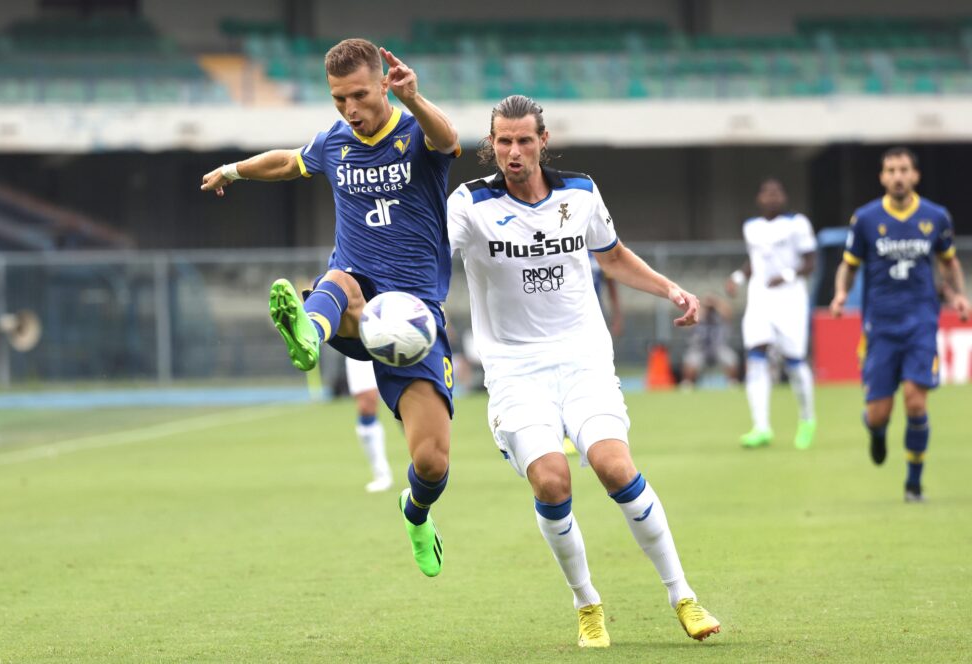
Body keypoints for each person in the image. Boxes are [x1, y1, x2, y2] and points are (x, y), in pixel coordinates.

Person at [447, 95, 719, 648]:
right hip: (515, 370)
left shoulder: (582, 192)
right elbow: (430, 258)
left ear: (543, 140)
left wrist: (671, 289)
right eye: (504, 141)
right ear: (490, 146)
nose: (514, 151)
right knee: (551, 479)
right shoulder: (469, 204)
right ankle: (586, 602)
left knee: (615, 467)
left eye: (525, 140)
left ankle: (682, 594)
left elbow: (612, 256)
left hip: (583, 359)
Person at [201, 39, 460, 576]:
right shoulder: (336, 142)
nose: (350, 110)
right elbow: (288, 162)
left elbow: (449, 140)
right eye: (339, 99)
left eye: (359, 96)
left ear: (384, 84)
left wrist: (416, 100)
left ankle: (415, 514)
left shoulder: (414, 132)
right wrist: (232, 171)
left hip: (412, 320)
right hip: (354, 302)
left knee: (432, 462)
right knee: (338, 277)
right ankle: (308, 332)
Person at [830, 146, 968, 502]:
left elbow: (948, 262)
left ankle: (913, 483)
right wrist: (841, 294)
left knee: (916, 403)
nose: (897, 176)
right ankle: (876, 431)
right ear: (882, 177)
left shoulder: (936, 217)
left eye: (904, 169)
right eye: (891, 170)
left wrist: (958, 295)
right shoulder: (865, 218)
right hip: (880, 329)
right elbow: (849, 264)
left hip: (921, 323)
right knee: (879, 414)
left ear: (915, 175)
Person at [725, 178, 817, 450]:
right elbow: (753, 262)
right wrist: (737, 278)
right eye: (767, 193)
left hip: (790, 298)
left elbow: (810, 261)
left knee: (794, 360)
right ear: (759, 198)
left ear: (784, 197)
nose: (772, 197)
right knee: (756, 354)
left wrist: (786, 275)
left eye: (777, 192)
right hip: (760, 298)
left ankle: (807, 419)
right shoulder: (751, 227)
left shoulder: (797, 223)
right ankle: (761, 426)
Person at [345, 357, 392, 492]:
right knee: (366, 406)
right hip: (359, 343)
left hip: (402, 339)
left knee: (408, 405)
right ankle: (381, 474)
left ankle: (426, 465)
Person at [679, 294, 739, 388]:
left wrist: (716, 303)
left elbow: (729, 314)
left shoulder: (720, 315)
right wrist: (702, 309)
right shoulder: (699, 314)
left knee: (731, 358)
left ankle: (732, 383)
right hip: (700, 348)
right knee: (690, 360)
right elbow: (687, 325)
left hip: (718, 347)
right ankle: (687, 384)